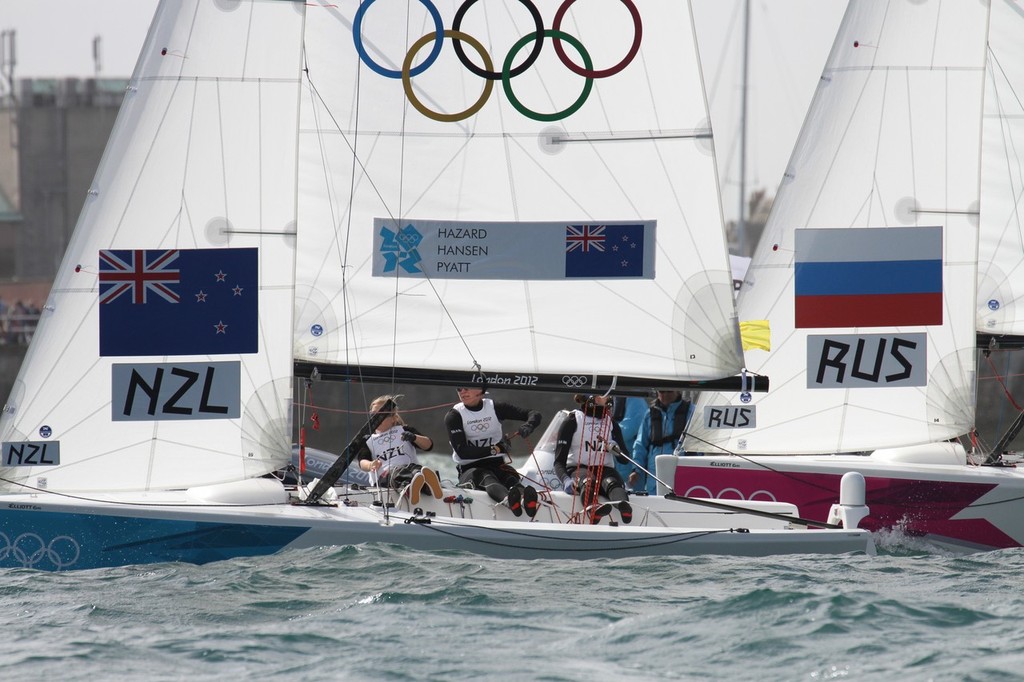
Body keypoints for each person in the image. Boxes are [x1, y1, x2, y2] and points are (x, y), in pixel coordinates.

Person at [444, 386, 542, 517]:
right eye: (459, 389)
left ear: (481, 390)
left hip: (497, 465)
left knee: (510, 478)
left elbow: (534, 414)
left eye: (467, 388)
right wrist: (495, 449)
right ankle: (509, 500)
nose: (462, 392)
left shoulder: (495, 407)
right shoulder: (454, 416)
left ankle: (526, 499)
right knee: (486, 477)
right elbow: (463, 452)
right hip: (470, 469)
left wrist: (529, 425)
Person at [554, 394, 632, 524]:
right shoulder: (572, 421)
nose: (609, 398)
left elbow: (625, 459)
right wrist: (565, 480)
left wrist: (617, 451)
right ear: (592, 398)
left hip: (605, 470)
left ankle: (625, 508)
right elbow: (558, 461)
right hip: (580, 468)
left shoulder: (611, 423)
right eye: (604, 395)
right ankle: (593, 511)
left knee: (613, 483)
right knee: (588, 482)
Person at [354, 395, 441, 504]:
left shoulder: (403, 430)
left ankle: (426, 483)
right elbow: (362, 461)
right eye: (373, 415)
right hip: (385, 476)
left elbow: (428, 445)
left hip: (409, 467)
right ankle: (414, 486)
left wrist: (414, 437)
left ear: (393, 418)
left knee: (416, 470)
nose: (377, 419)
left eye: (382, 415)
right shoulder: (369, 439)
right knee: (398, 474)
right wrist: (371, 464)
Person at [629, 389, 692, 495]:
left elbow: (697, 445)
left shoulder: (690, 411)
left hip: (680, 470)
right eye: (661, 391)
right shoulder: (650, 414)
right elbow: (640, 444)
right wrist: (636, 469)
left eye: (669, 391)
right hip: (654, 475)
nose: (665, 395)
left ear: (678, 391)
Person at [611, 395, 648, 484]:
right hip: (616, 464)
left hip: (630, 465)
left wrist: (605, 433)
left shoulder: (636, 399)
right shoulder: (614, 398)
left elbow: (632, 426)